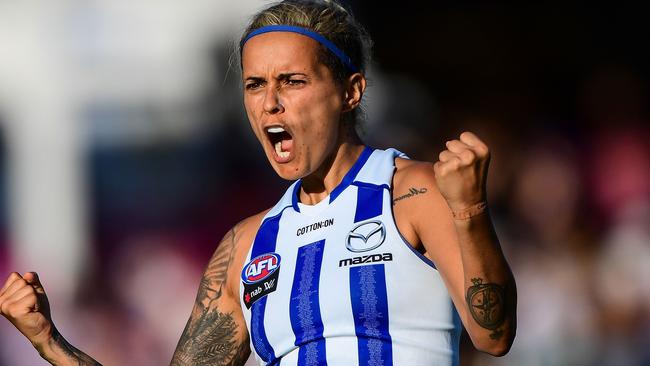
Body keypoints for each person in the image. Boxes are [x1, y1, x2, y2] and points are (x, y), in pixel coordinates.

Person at [0, 0, 516, 365]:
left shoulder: (412, 192)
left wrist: (470, 212)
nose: (270, 101)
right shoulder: (245, 246)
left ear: (351, 91)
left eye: (292, 81)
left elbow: (493, 335)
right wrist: (50, 342)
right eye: (254, 84)